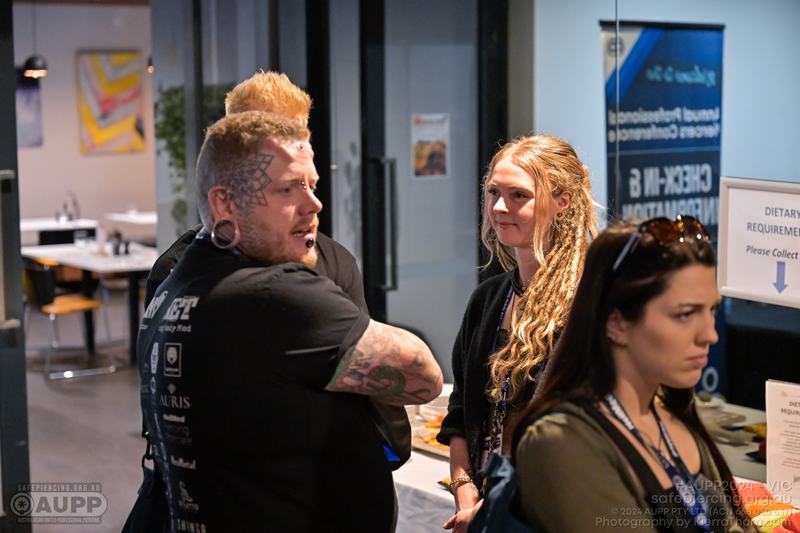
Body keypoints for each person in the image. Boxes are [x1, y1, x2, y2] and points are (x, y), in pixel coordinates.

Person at [138, 111, 443, 532]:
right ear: (225, 203)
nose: (314, 204)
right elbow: (424, 376)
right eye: (286, 189)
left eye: (311, 185)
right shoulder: (274, 292)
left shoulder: (172, 286)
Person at [143, 71, 412, 471]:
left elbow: (374, 395)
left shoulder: (333, 259)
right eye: (271, 140)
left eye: (297, 139)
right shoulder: (181, 270)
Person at [511, 217, 750, 533]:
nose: (710, 334)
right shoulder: (561, 442)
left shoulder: (671, 415)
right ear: (617, 324)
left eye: (712, 310)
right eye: (685, 314)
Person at [436, 135, 598, 531]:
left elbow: (577, 438)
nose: (498, 207)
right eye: (493, 192)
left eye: (518, 195)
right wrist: (465, 491)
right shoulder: (488, 298)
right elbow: (460, 412)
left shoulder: (591, 306)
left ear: (563, 202)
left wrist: (495, 505)